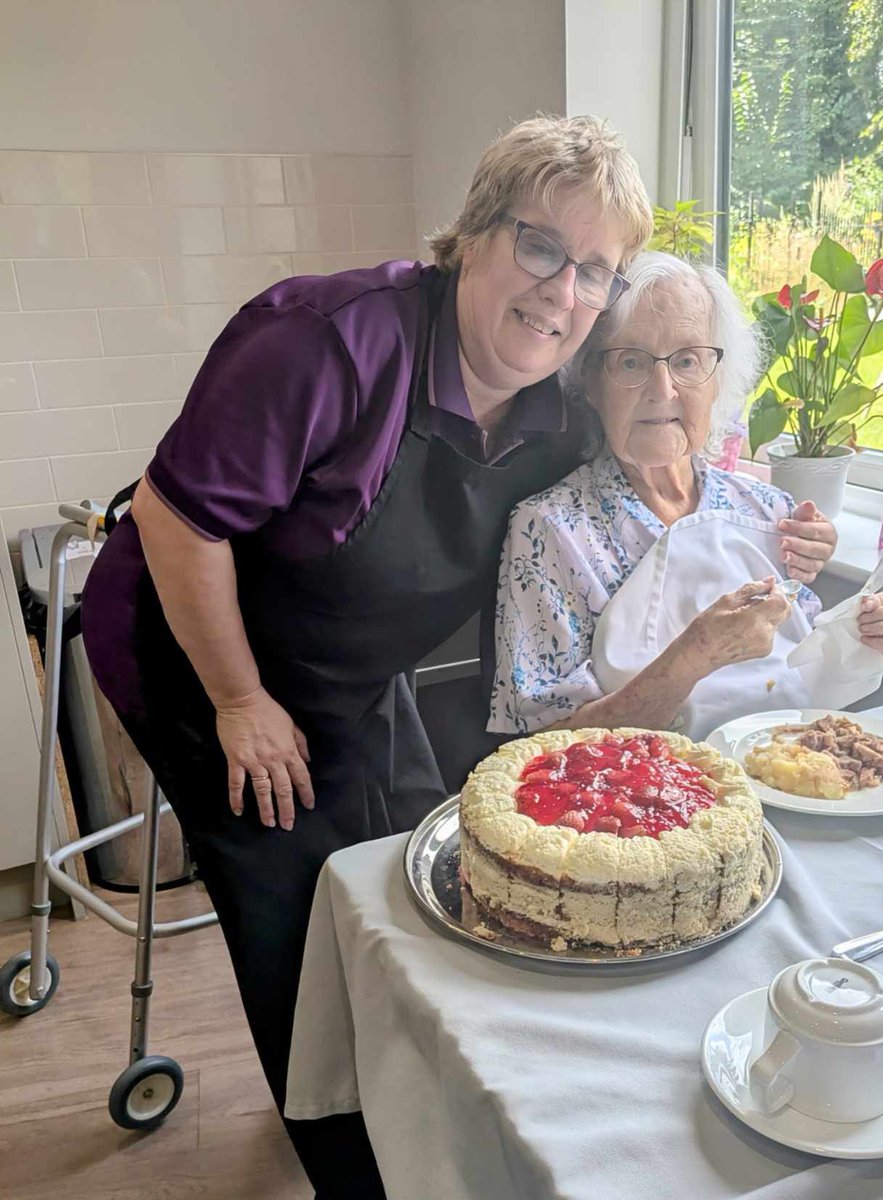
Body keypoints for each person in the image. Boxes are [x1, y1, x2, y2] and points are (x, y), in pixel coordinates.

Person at [81, 115, 653, 1197]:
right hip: (199, 655)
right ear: (474, 235)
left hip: (347, 657)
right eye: (539, 246)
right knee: (303, 921)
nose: (561, 292)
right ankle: (356, 1166)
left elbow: (653, 448)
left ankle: (428, 1123)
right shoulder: (329, 340)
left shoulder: (557, 392)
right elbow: (174, 519)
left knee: (414, 866)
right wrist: (240, 701)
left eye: (594, 270)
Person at [490, 251, 883, 740]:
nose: (662, 388)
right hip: (641, 805)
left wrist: (861, 633)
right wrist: (694, 656)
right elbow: (545, 744)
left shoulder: (767, 511)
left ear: (718, 382)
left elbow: (796, 671)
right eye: (631, 361)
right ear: (590, 383)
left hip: (785, 778)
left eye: (688, 360)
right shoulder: (549, 531)